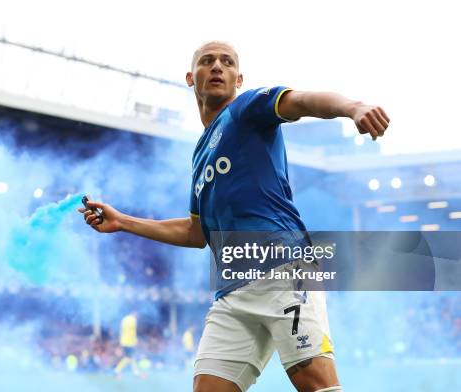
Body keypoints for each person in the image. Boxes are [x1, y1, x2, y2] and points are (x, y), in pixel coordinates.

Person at [78, 41, 389, 392]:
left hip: (283, 269)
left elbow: (301, 101)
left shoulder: (246, 108)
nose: (217, 67)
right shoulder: (199, 157)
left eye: (227, 62)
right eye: (207, 61)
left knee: (318, 386)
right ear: (189, 77)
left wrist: (354, 107)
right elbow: (197, 233)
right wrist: (124, 222)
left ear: (238, 78)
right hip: (231, 293)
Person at [114, 311, 141, 378]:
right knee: (128, 357)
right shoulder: (133, 320)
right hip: (129, 342)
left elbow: (122, 330)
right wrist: (135, 341)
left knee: (131, 356)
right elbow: (133, 332)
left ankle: (136, 371)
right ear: (134, 314)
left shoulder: (124, 319)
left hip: (123, 341)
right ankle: (117, 369)